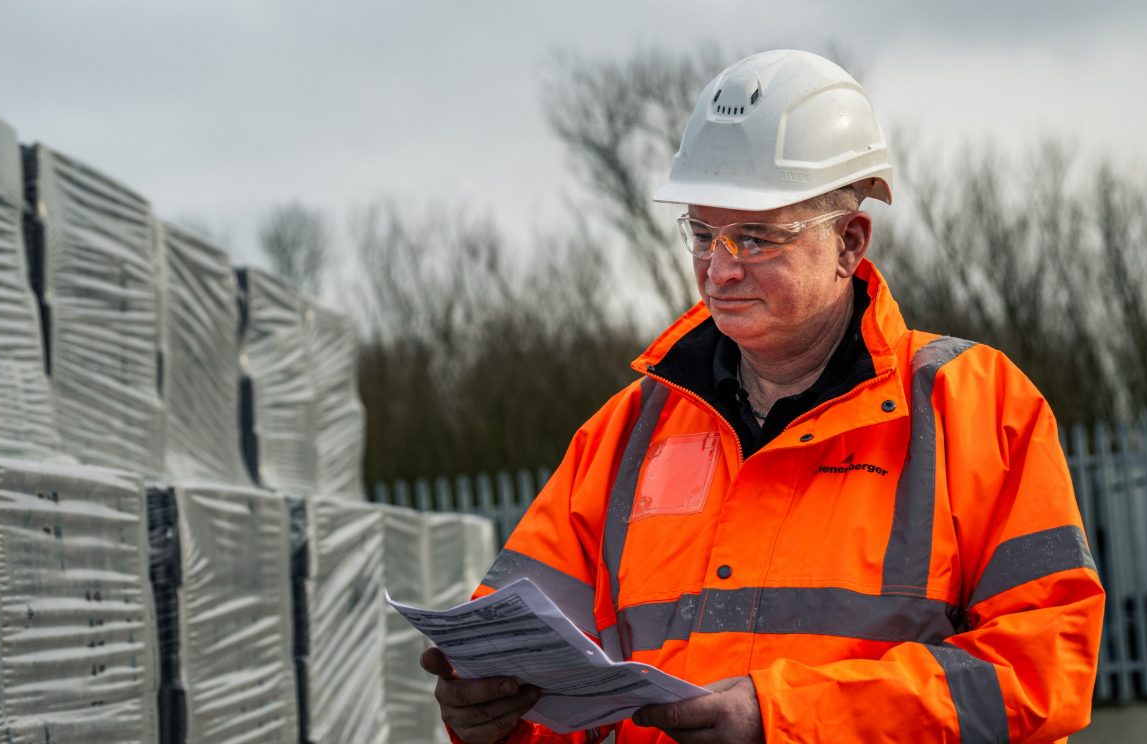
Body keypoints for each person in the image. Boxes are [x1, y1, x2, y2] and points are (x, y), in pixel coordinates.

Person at [421, 49, 1105, 744]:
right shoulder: (624, 433)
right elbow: (522, 667)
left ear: (849, 243)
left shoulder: (976, 408)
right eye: (703, 234)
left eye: (755, 237)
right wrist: (491, 716)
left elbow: (1043, 667)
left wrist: (781, 719)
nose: (720, 270)